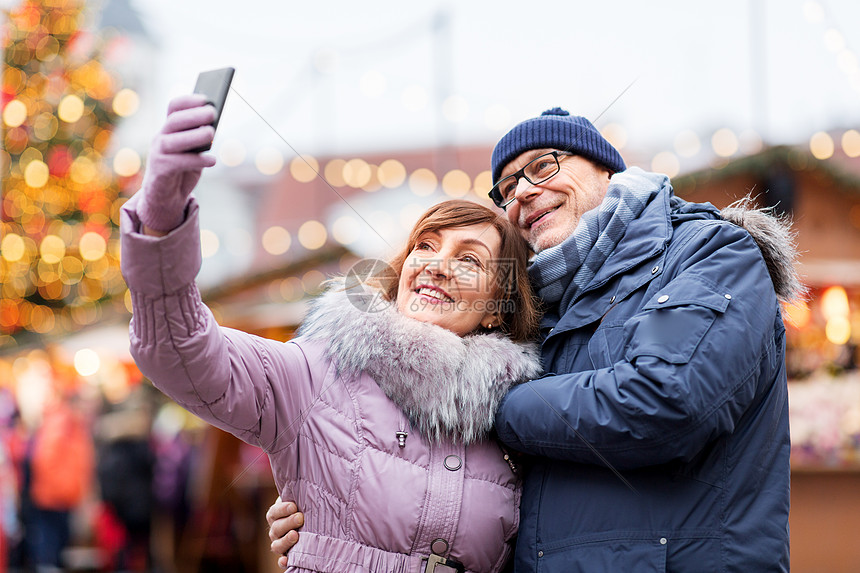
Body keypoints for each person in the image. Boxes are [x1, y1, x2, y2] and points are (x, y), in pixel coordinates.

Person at [269, 108, 800, 572]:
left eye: (544, 165)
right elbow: (470, 479)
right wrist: (334, 510)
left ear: (605, 170)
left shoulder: (708, 254)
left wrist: (488, 397)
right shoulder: (532, 312)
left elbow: (663, 402)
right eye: (506, 188)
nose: (521, 191)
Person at [120, 94, 544, 573]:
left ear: (496, 307)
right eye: (425, 246)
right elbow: (183, 353)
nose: (437, 266)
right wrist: (159, 225)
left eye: (469, 259)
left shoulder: (517, 421)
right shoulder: (318, 371)